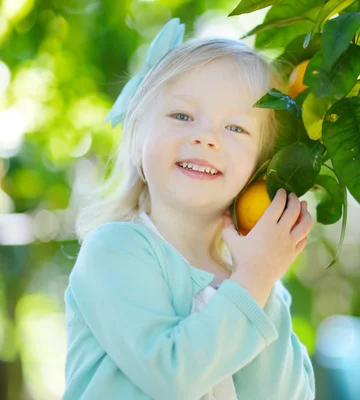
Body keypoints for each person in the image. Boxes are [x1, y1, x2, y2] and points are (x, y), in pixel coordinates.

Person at [63, 17, 316, 400]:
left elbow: (283, 394)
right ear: (137, 138)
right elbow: (172, 376)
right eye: (182, 116)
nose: (205, 137)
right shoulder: (115, 251)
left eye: (236, 128)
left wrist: (262, 277)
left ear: (261, 169)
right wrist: (253, 282)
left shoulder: (254, 276)